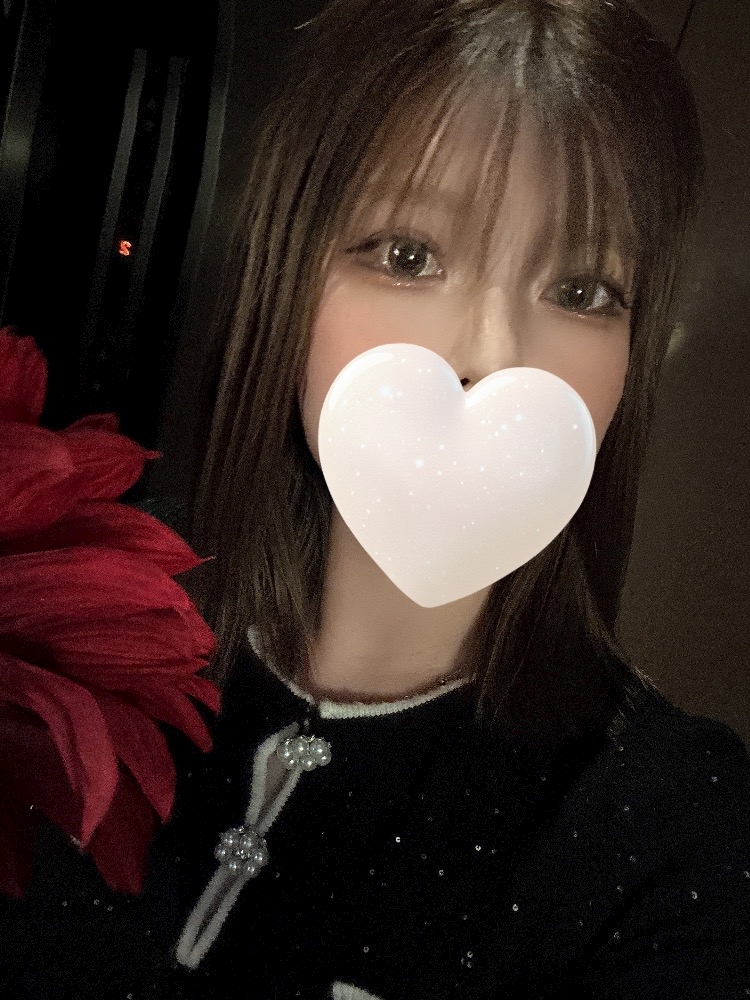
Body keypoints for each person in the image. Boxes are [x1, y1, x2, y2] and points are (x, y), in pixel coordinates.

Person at [2, 1, 749, 998]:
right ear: (289, 274)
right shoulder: (60, 607)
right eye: (407, 255)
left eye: (582, 291)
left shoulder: (672, 830)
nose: (490, 355)